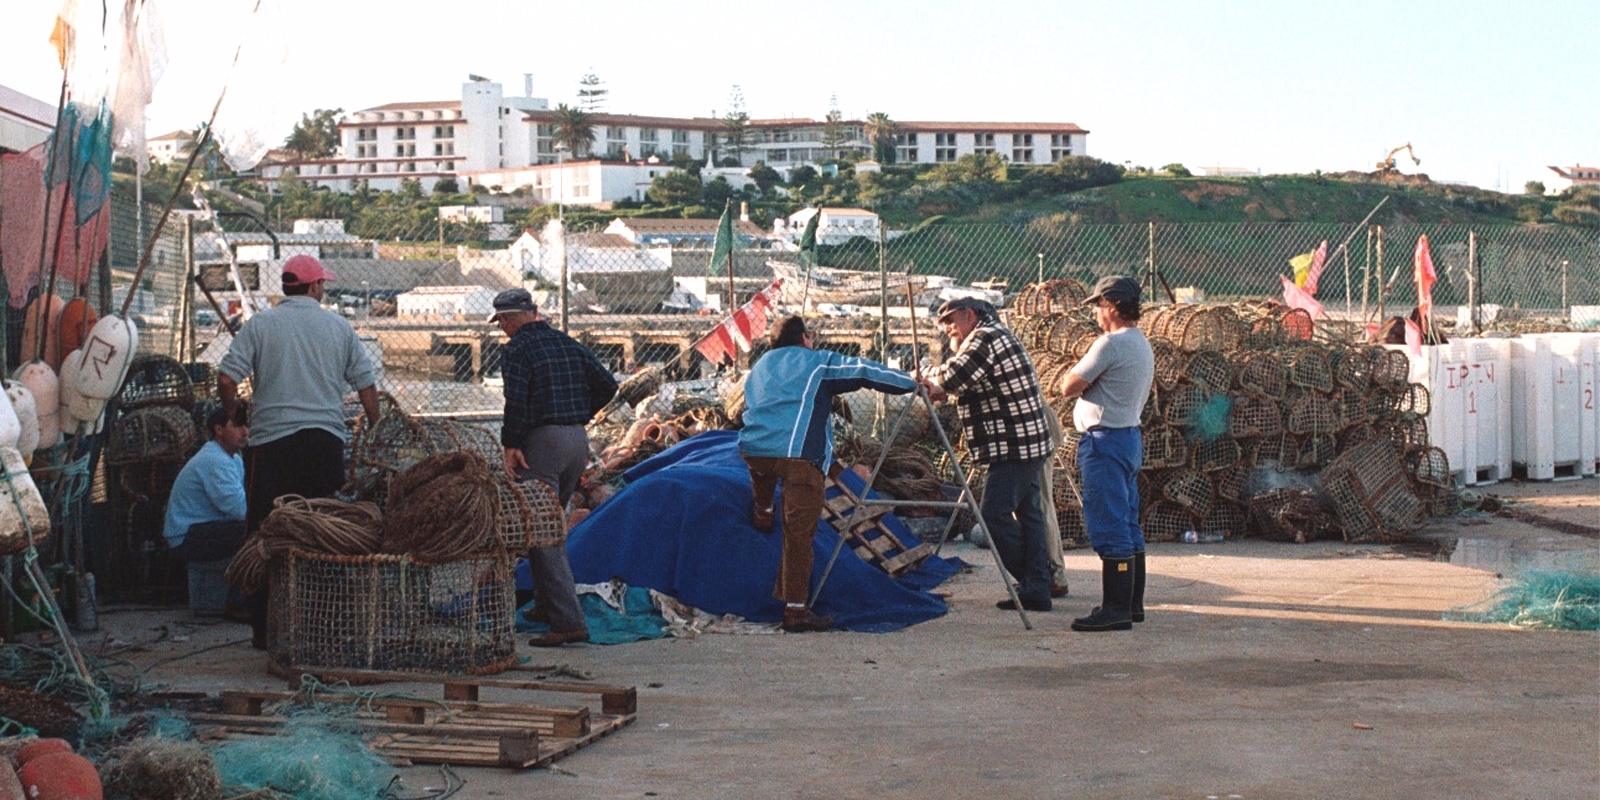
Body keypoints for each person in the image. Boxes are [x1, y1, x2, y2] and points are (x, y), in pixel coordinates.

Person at [218, 254, 380, 648]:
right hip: (324, 444)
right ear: (313, 287)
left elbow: (226, 377)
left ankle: (264, 631)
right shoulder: (338, 326)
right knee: (324, 536)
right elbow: (366, 385)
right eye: (322, 283)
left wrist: (233, 410)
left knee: (263, 535)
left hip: (271, 447)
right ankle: (321, 629)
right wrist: (375, 428)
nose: (323, 288)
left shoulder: (261, 324)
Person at [739, 315, 917, 632]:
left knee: (764, 479)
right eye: (811, 335)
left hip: (754, 450)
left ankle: (764, 510)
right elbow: (864, 371)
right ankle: (796, 611)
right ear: (805, 338)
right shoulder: (817, 362)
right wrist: (911, 383)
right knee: (798, 535)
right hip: (798, 456)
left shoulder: (761, 366)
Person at [491, 288, 618, 647]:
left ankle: (568, 622)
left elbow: (515, 399)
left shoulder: (516, 349)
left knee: (540, 530)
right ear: (532, 311)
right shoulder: (566, 342)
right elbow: (607, 385)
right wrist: (579, 415)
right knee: (553, 521)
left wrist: (512, 444)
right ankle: (546, 605)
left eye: (501, 321)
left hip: (541, 445)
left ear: (506, 319)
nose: (501, 327)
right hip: (576, 441)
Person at [921, 298, 1055, 612]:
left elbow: (955, 375)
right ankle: (1038, 586)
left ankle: (1034, 582)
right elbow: (969, 382)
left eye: (951, 320)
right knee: (1030, 516)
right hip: (1023, 442)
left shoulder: (985, 337)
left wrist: (923, 376)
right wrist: (941, 386)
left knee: (993, 514)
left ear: (971, 315)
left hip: (1014, 444)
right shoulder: (993, 335)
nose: (948, 329)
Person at [1056, 276, 1155, 632]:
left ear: (1113, 306)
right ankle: (1132, 604)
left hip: (1104, 442)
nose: (1096, 312)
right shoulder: (1141, 343)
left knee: (1109, 523)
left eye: (1099, 305)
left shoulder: (1110, 345)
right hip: (1127, 436)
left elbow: (1069, 386)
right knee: (1127, 522)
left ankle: (1115, 609)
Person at [163, 404, 251, 615]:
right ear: (218, 430)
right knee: (252, 531)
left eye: (247, 426)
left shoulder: (233, 459)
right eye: (238, 426)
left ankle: (237, 600)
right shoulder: (214, 460)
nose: (245, 432)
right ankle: (235, 602)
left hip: (202, 531)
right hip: (187, 537)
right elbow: (240, 510)